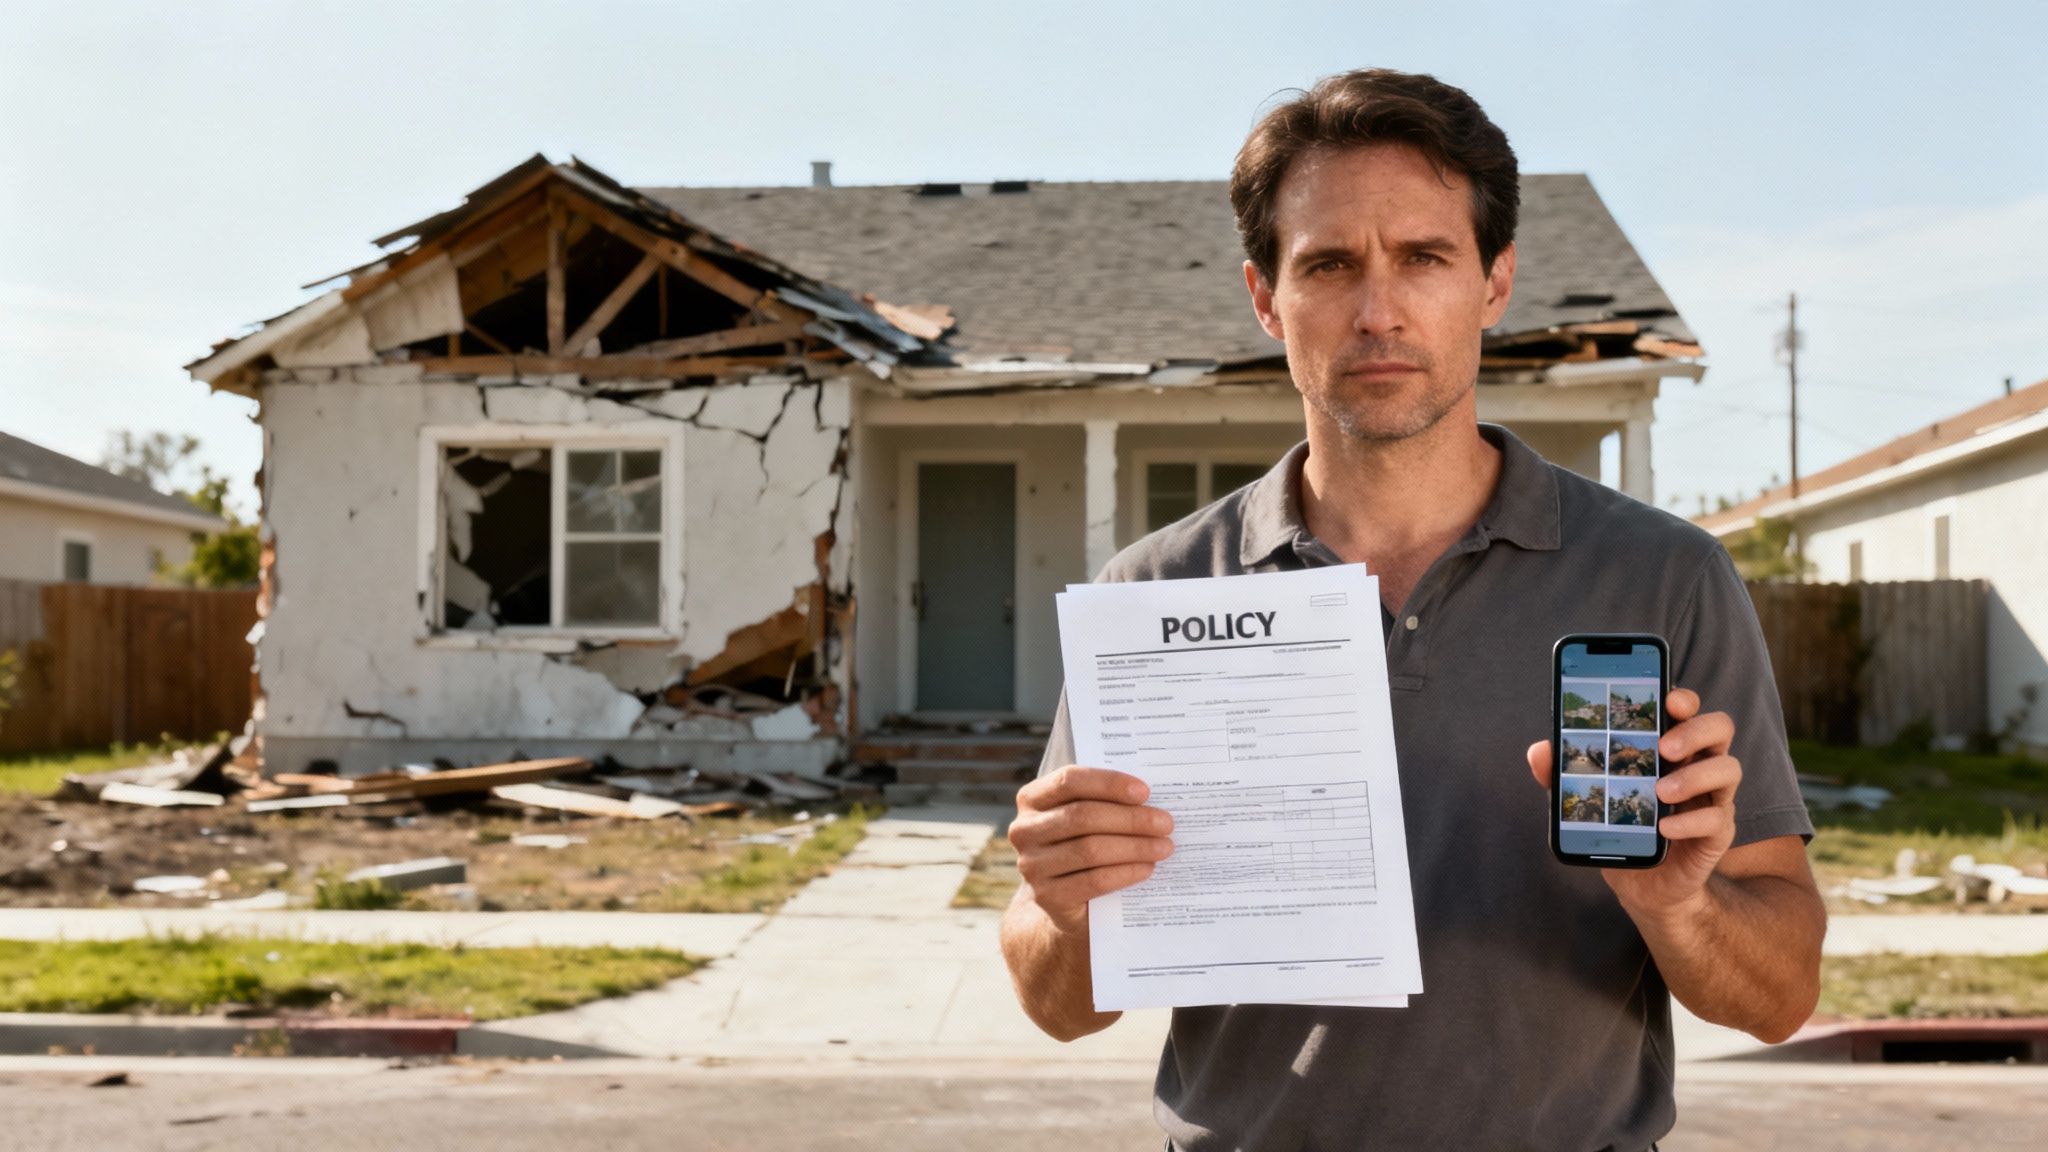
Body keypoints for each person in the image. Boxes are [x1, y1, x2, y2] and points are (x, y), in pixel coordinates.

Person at [999, 68, 1824, 1151]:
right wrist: (1063, 905)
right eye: (1329, 264)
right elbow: (1061, 1006)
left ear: (1493, 281)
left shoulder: (1661, 578)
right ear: (1265, 296)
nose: (1377, 311)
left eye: (1423, 257)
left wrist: (1678, 907)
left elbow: (1776, 998)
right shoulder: (1154, 596)